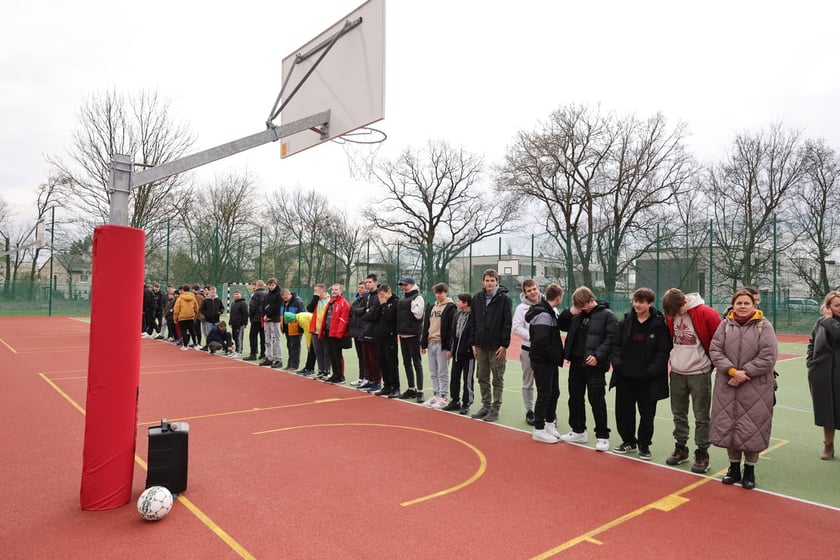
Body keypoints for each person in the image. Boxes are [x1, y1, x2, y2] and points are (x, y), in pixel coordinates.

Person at [709, 289, 778, 489]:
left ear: (754, 305)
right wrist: (731, 371)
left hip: (755, 387)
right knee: (730, 426)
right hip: (727, 385)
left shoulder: (764, 326)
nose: (742, 306)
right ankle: (733, 468)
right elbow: (715, 350)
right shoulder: (725, 326)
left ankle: (749, 469)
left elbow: (768, 356)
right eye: (739, 303)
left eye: (746, 303)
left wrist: (743, 374)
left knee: (752, 428)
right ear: (733, 305)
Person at [661, 288, 722, 473]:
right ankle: (681, 448)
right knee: (679, 414)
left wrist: (714, 364)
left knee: (701, 416)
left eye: (677, 311)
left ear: (684, 303)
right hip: (678, 372)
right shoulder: (671, 315)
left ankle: (702, 453)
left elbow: (719, 340)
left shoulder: (707, 313)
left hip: (699, 372)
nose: (674, 316)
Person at [609, 288, 672, 460]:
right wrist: (618, 365)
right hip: (625, 378)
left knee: (647, 414)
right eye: (636, 300)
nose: (637, 304)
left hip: (648, 380)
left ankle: (644, 445)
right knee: (624, 412)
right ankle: (628, 442)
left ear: (650, 303)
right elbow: (615, 346)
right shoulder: (625, 322)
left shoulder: (659, 326)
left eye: (642, 301)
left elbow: (663, 351)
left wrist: (650, 371)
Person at [557, 286, 617, 451]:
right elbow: (561, 324)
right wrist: (571, 311)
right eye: (579, 306)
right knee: (574, 398)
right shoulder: (577, 314)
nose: (582, 309)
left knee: (596, 400)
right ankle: (578, 430)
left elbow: (611, 339)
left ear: (591, 300)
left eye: (583, 305)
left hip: (595, 366)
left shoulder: (607, 316)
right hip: (576, 363)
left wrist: (598, 356)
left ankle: (603, 436)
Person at [470, 269, 512, 423]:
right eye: (487, 280)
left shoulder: (504, 300)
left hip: (496, 346)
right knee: (482, 376)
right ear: (483, 281)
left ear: (497, 282)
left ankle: (495, 408)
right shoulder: (477, 298)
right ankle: (486, 406)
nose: (489, 283)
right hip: (481, 345)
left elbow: (507, 323)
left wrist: (504, 345)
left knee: (497, 378)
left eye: (492, 280)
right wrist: (473, 343)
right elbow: (473, 321)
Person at [525, 283, 565, 443]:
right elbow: (541, 341)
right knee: (544, 393)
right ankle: (539, 428)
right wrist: (553, 355)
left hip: (549, 361)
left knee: (554, 392)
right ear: (559, 298)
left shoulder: (549, 312)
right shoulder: (544, 315)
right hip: (542, 361)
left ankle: (549, 423)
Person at [806, 290, 840, 461]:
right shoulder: (820, 322)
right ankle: (828, 445)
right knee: (826, 411)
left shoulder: (826, 322)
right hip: (822, 373)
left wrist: (829, 321)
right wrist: (811, 364)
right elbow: (812, 343)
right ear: (828, 307)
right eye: (837, 305)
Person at [420, 283, 456, 408]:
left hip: (442, 344)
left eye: (440, 292)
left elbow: (452, 329)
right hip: (431, 343)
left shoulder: (451, 308)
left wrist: (449, 347)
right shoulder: (431, 307)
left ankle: (444, 396)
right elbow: (426, 326)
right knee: (433, 371)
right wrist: (423, 343)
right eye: (436, 293)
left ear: (446, 292)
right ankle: (436, 395)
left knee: (443, 371)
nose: (438, 295)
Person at [512, 279, 542, 425]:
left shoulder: (547, 305)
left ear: (538, 289)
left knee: (545, 383)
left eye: (534, 289)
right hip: (528, 350)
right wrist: (532, 337)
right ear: (525, 293)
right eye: (529, 290)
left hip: (544, 351)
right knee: (528, 382)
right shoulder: (521, 308)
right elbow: (516, 327)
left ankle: (545, 410)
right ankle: (529, 410)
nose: (532, 292)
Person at [443, 293, 475, 415]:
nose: (457, 303)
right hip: (456, 352)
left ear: (465, 303)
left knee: (467, 379)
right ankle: (455, 400)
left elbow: (473, 334)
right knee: (454, 377)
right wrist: (451, 349)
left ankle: (467, 402)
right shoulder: (457, 315)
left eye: (459, 301)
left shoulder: (473, 316)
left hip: (468, 354)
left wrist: (470, 347)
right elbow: (453, 334)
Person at [397, 277, 426, 402]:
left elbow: (418, 314)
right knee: (406, 362)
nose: (404, 287)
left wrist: (413, 305)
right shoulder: (403, 299)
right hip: (403, 335)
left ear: (412, 285)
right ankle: (411, 388)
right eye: (402, 285)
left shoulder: (418, 297)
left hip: (413, 335)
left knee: (417, 363)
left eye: (406, 285)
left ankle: (420, 391)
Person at [372, 284, 401, 398]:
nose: (381, 297)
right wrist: (380, 305)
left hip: (390, 337)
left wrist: (384, 304)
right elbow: (374, 316)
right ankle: (387, 385)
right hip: (380, 337)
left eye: (383, 295)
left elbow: (390, 318)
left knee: (392, 363)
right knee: (382, 362)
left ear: (389, 292)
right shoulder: (380, 303)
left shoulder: (395, 302)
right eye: (379, 295)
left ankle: (396, 387)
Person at [356, 274, 382, 392]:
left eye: (370, 282)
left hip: (373, 331)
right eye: (366, 282)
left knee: (374, 358)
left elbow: (373, 314)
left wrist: (365, 313)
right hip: (364, 331)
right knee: (366, 358)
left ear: (375, 283)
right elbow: (356, 311)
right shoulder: (366, 296)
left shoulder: (378, 296)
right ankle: (369, 380)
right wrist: (365, 311)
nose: (367, 284)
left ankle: (377, 382)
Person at [322, 283, 351, 384]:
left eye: (336, 290)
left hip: (337, 334)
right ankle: (335, 374)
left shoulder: (344, 303)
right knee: (332, 354)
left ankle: (340, 376)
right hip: (328, 332)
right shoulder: (331, 302)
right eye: (333, 289)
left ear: (341, 291)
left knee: (338, 355)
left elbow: (343, 320)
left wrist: (339, 334)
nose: (334, 291)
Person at [309, 284, 333, 379]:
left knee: (326, 351)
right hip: (315, 329)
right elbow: (309, 309)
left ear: (323, 290)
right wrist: (315, 298)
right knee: (318, 351)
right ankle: (320, 370)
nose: (315, 292)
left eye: (317, 290)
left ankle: (327, 370)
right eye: (314, 290)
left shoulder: (328, 300)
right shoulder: (315, 300)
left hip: (324, 330)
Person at [279, 288, 305, 371]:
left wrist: (300, 328)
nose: (284, 299)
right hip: (287, 328)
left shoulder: (298, 302)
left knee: (295, 346)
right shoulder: (284, 302)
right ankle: (289, 364)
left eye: (286, 298)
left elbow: (302, 315)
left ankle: (294, 365)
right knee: (289, 346)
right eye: (283, 298)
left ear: (289, 294)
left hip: (296, 327)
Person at [348, 281, 369, 387]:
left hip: (364, 333)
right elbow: (352, 317)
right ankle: (361, 377)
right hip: (356, 334)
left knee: (366, 357)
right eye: (359, 287)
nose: (360, 289)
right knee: (360, 356)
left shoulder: (367, 301)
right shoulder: (356, 302)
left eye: (362, 288)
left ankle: (367, 377)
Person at [261, 278, 283, 369]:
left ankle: (278, 359)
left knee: (276, 340)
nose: (271, 287)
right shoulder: (267, 295)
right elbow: (263, 306)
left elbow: (277, 307)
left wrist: (269, 315)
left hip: (274, 319)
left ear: (276, 284)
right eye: (269, 285)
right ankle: (269, 357)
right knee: (267, 340)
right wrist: (264, 315)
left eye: (272, 285)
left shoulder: (279, 294)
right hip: (267, 320)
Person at [244, 280, 267, 361]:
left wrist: (250, 315)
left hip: (256, 319)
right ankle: (263, 354)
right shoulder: (266, 294)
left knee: (253, 336)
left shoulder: (255, 294)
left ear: (257, 285)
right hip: (264, 319)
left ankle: (253, 354)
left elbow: (253, 307)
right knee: (263, 337)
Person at [173, 284, 199, 351]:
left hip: (182, 317)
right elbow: (196, 308)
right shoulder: (193, 297)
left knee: (183, 332)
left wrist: (175, 318)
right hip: (191, 317)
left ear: (183, 290)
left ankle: (185, 345)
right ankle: (196, 344)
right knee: (193, 331)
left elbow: (176, 309)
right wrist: (195, 316)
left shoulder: (180, 298)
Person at [228, 289, 249, 357]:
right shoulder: (233, 303)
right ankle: (236, 350)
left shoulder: (243, 303)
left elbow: (245, 313)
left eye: (238, 294)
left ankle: (239, 351)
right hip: (234, 323)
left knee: (238, 338)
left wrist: (245, 323)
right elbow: (231, 313)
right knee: (234, 337)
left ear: (240, 295)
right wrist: (230, 322)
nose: (236, 295)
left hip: (240, 324)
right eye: (235, 294)